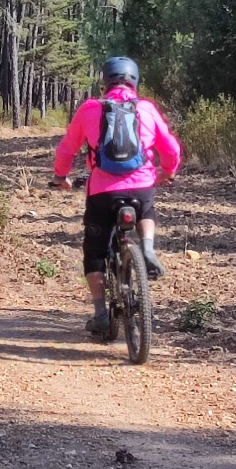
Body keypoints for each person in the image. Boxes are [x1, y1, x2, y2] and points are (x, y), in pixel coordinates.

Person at [53, 56, 183, 335]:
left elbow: (66, 149)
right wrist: (167, 172)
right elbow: (171, 148)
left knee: (95, 252)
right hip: (140, 187)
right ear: (135, 81)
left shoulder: (90, 109)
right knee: (146, 210)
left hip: (102, 193)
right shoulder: (146, 109)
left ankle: (100, 313)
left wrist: (60, 177)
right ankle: (147, 247)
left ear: (105, 82)